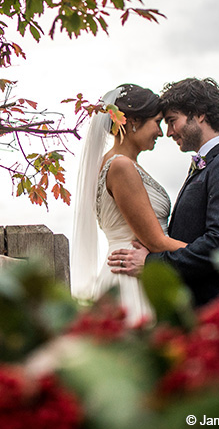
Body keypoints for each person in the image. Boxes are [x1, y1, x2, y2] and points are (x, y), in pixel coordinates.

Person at [107, 77, 219, 308]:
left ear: (199, 114)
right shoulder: (210, 164)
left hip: (210, 304)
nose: (168, 132)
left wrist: (152, 263)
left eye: (171, 121)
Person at [70, 84, 185, 324]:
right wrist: (217, 257)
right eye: (157, 122)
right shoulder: (121, 167)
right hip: (132, 276)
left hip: (128, 268)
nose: (161, 132)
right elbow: (156, 241)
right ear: (133, 121)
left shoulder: (113, 164)